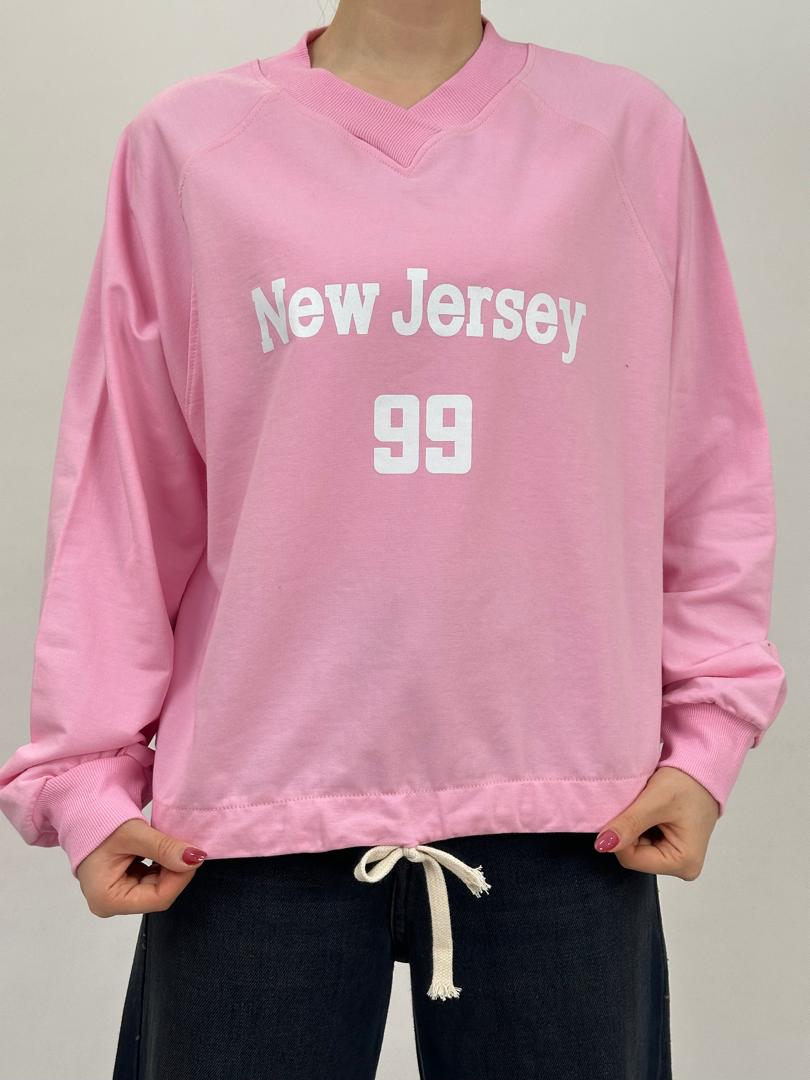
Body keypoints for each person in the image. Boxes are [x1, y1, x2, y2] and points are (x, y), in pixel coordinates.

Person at [0, 2, 788, 1077]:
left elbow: (705, 456)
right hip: (250, 812)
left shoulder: (624, 134)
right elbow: (125, 488)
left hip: (572, 808)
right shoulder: (187, 145)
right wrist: (87, 777)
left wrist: (707, 738)